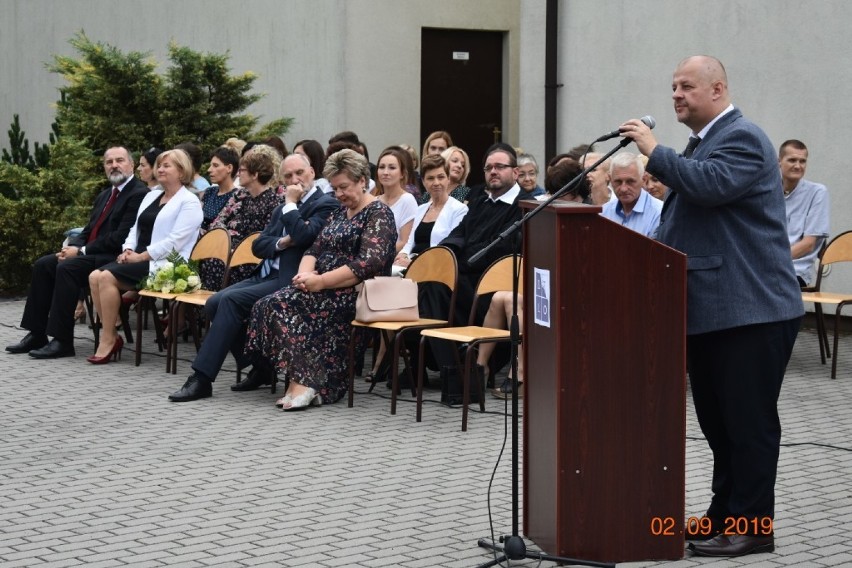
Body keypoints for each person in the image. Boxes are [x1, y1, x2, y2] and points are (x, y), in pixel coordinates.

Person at [622, 55, 804, 558]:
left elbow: (707, 187)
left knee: (748, 425)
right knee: (719, 425)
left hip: (752, 311)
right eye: (673, 86)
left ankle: (754, 526)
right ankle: (723, 516)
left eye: (686, 86)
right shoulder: (704, 143)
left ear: (718, 89)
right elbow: (687, 220)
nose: (675, 95)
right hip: (713, 311)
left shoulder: (743, 138)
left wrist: (653, 151)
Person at [168, 153, 339, 402]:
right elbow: (259, 245)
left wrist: (291, 207)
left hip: (292, 279)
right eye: (288, 176)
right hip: (265, 272)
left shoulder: (325, 204)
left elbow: (305, 235)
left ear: (312, 172)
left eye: (299, 173)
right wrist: (283, 241)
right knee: (214, 302)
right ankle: (261, 367)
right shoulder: (282, 207)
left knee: (230, 301)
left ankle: (201, 378)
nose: (295, 180)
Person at [244, 149, 397, 411]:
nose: (339, 194)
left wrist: (322, 282)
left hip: (353, 292)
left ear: (363, 180)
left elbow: (367, 263)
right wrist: (304, 276)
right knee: (266, 305)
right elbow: (314, 249)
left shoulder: (378, 213)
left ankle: (305, 383)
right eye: (335, 188)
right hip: (322, 286)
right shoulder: (339, 212)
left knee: (281, 306)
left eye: (344, 187)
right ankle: (303, 379)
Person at [5, 147, 149, 359]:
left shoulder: (138, 194)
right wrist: (70, 248)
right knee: (44, 264)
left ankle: (62, 340)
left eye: (120, 160)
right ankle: (37, 333)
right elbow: (89, 230)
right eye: (109, 162)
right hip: (91, 253)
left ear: (131, 165)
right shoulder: (104, 195)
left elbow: (119, 238)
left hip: (115, 257)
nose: (114, 165)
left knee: (67, 268)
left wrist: (80, 251)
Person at [87, 149, 203, 364]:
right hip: (139, 258)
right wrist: (128, 249)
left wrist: (141, 257)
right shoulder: (151, 195)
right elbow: (134, 229)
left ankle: (108, 338)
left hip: (168, 265)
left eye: (166, 165)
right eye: (159, 165)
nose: (160, 169)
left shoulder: (189, 202)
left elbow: (174, 243)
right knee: (94, 276)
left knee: (104, 277)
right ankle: (111, 335)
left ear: (181, 171)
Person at [203, 145, 284, 288]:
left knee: (218, 263)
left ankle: (214, 306)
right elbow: (219, 221)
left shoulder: (274, 202)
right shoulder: (240, 195)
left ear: (255, 175)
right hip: (227, 248)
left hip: (250, 256)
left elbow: (263, 235)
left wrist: (235, 249)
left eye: (242, 170)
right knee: (210, 258)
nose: (238, 174)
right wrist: (225, 242)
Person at [395, 155, 468, 268]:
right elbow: (410, 243)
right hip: (410, 266)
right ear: (423, 182)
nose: (436, 183)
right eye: (430, 178)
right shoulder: (421, 209)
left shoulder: (459, 210)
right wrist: (402, 256)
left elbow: (449, 250)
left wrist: (413, 264)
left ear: (448, 179)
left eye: (441, 177)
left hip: (436, 269)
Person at [778, 139, 830, 287]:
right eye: (792, 160)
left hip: (794, 271)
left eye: (802, 161)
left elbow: (808, 245)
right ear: (779, 161)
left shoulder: (817, 193)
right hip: (763, 269)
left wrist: (772, 261)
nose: (797, 166)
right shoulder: (767, 192)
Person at [600, 152, 663, 237]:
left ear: (643, 179)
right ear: (610, 180)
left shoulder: (660, 213)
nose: (623, 189)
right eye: (618, 182)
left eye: (630, 182)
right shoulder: (603, 212)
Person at [373, 146, 418, 253]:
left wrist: (378, 255)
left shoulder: (407, 200)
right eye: (382, 167)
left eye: (392, 168)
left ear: (402, 173)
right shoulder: (373, 202)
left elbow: (405, 242)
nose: (385, 172)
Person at [200, 146, 240, 231]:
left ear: (229, 168)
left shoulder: (237, 197)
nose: (209, 170)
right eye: (210, 165)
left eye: (215, 165)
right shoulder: (210, 191)